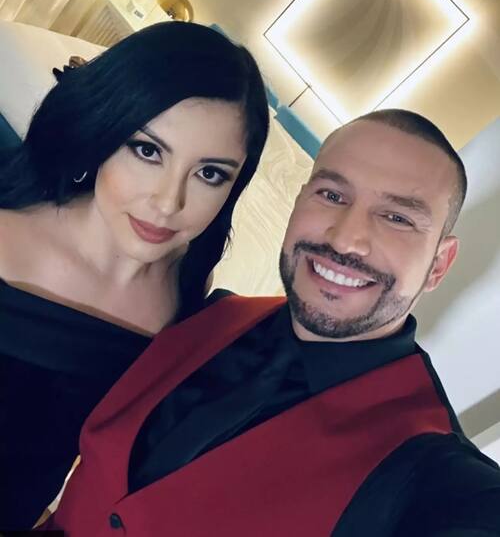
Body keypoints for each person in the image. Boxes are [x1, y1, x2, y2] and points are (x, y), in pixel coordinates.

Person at [40, 109, 500, 536]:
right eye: (331, 195)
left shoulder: (432, 471)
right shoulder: (209, 313)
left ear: (439, 265)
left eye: (397, 218)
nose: (346, 238)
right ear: (300, 201)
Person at [0, 21, 269, 529]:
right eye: (148, 151)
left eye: (210, 173)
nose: (168, 203)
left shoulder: (188, 290)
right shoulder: (6, 236)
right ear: (104, 132)